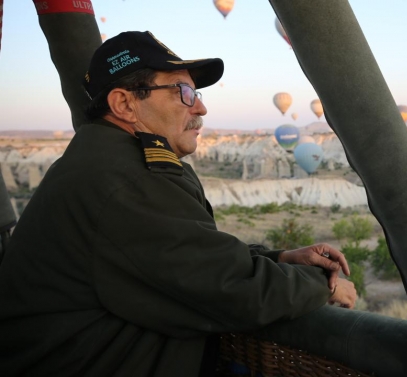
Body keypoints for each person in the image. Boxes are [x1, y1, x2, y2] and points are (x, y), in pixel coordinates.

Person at [0, 30, 357, 377]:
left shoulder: (103, 162)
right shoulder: (128, 181)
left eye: (196, 91)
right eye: (183, 91)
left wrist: (278, 258)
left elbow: (184, 259)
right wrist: (320, 282)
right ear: (124, 104)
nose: (200, 106)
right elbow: (235, 292)